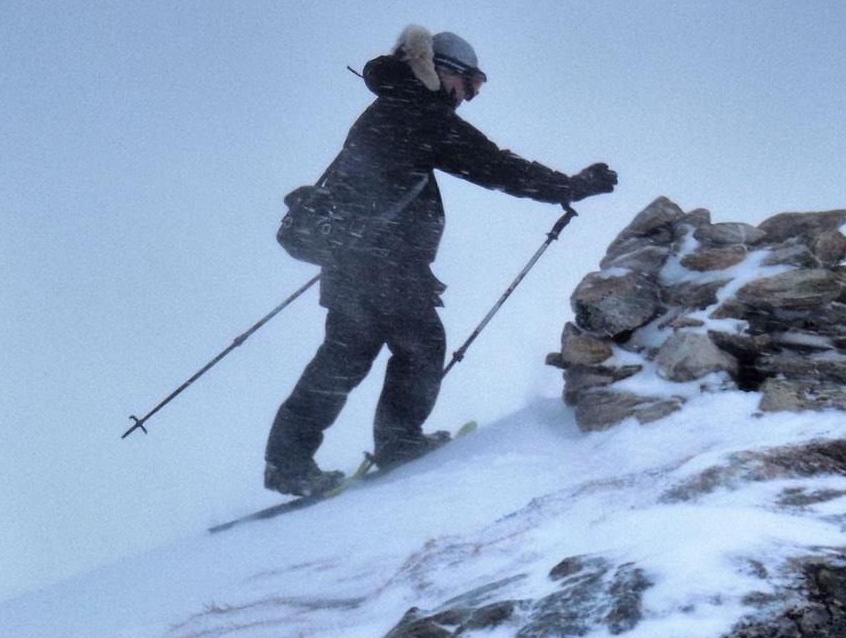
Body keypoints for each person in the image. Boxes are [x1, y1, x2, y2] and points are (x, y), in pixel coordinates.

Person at [265, 25, 618, 496]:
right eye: (470, 84)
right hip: (382, 264)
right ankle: (397, 441)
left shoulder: (392, 105)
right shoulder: (418, 113)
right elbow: (494, 164)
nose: (468, 97)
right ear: (443, 71)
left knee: (345, 357)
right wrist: (569, 188)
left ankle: (288, 461)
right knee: (421, 345)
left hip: (354, 259)